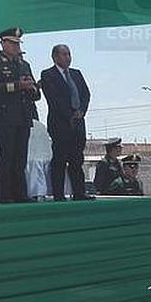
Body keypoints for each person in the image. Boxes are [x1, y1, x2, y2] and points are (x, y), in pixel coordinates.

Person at [0, 27, 41, 203]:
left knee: (20, 158)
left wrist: (33, 88)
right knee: (7, 156)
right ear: (3, 44)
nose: (16, 47)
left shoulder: (24, 64)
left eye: (18, 44)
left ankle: (20, 193)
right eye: (13, 43)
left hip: (23, 116)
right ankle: (6, 195)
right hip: (4, 116)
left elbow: (34, 94)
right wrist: (17, 85)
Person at [41, 44, 91, 201]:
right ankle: (58, 194)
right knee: (60, 160)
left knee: (77, 160)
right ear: (55, 57)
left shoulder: (76, 74)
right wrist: (69, 114)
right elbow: (54, 98)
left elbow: (86, 94)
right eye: (64, 54)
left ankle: (79, 193)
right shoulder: (48, 74)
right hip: (60, 124)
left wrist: (80, 112)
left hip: (78, 123)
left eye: (69, 54)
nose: (68, 57)